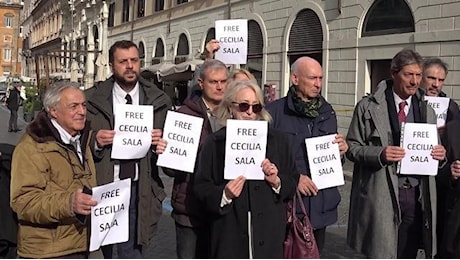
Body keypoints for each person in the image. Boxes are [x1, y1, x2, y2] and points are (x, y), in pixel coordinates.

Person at [346, 49, 446, 258]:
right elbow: (352, 148)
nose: (415, 81)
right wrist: (379, 154)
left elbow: (436, 151)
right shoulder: (367, 107)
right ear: (393, 73)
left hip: (417, 195)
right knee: (381, 250)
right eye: (409, 75)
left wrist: (441, 154)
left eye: (418, 75)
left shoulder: (428, 110)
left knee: (408, 249)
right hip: (383, 192)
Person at [187, 80, 299, 258]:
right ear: (231, 107)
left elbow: (292, 179)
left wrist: (277, 182)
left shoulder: (278, 141)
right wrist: (224, 194)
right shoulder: (214, 143)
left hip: (268, 237)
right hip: (229, 236)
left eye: (256, 107)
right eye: (244, 105)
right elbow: (201, 188)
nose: (249, 112)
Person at [85, 40, 172, 258]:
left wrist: (162, 144)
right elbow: (76, 142)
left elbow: (172, 148)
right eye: (123, 61)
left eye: (134, 60)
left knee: (131, 253)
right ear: (112, 66)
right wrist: (95, 141)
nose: (130, 66)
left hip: (139, 189)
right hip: (104, 187)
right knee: (100, 252)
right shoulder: (91, 100)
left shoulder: (159, 100)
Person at [265, 56, 348, 254]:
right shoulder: (273, 113)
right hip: (287, 206)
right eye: (312, 78)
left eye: (320, 78)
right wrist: (294, 179)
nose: (318, 84)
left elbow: (332, 159)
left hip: (320, 206)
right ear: (295, 79)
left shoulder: (327, 112)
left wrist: (341, 151)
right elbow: (264, 159)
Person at [10, 81, 98, 258]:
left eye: (83, 105)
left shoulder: (80, 139)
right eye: (73, 106)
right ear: (53, 110)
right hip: (47, 251)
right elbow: (23, 202)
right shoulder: (32, 146)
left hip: (80, 244)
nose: (82, 112)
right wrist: (69, 203)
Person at [159, 59, 229, 258]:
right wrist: (166, 153)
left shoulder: (236, 114)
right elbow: (171, 171)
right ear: (201, 83)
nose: (219, 86)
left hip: (224, 208)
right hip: (190, 209)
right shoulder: (183, 116)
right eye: (214, 82)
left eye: (224, 81)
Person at [419, 57, 460, 258]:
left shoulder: (451, 108)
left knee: (437, 237)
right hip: (411, 182)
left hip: (441, 185)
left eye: (441, 80)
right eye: (431, 78)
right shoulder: (411, 103)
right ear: (421, 77)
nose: (436, 84)